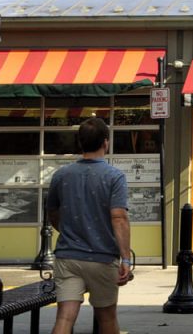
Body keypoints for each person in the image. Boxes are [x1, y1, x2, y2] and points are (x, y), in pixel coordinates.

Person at [46, 117, 132, 334]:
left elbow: (52, 213)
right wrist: (126, 258)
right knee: (107, 319)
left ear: (80, 143)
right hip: (102, 257)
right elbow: (119, 217)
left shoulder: (61, 175)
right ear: (106, 142)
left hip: (68, 256)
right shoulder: (115, 177)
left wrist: (68, 232)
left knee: (65, 318)